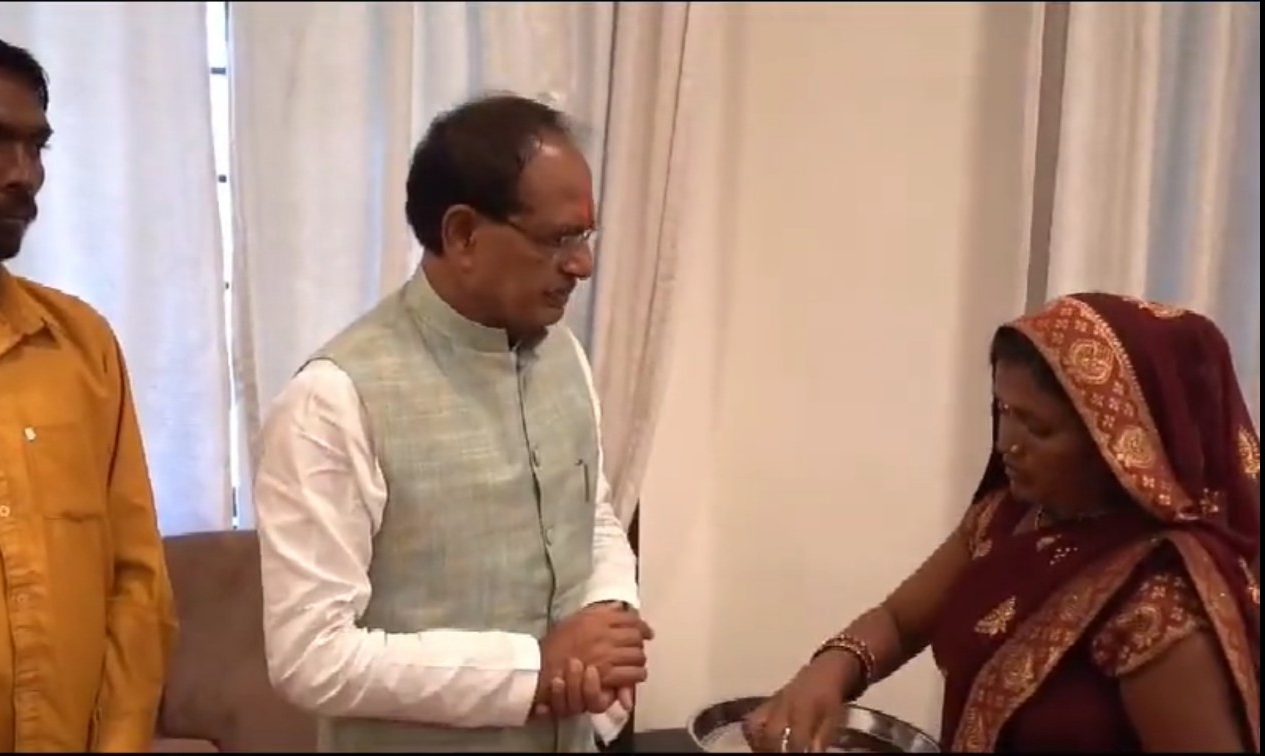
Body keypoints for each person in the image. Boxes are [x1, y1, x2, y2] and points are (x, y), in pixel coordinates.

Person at [252, 93, 653, 753]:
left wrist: (609, 611)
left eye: (586, 236)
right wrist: (532, 669)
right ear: (463, 234)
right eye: (559, 238)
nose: (582, 264)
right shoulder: (333, 400)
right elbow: (311, 656)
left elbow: (593, 513)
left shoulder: (566, 357)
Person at [744, 293, 1261, 753]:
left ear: (1122, 446)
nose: (1006, 443)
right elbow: (899, 621)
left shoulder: (1158, 601)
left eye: (1038, 427)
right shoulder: (1008, 516)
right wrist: (829, 671)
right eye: (1004, 411)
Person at [0, 20, 178, 753]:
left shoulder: (78, 345)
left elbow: (136, 582)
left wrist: (120, 741)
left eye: (36, 146)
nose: (24, 174)